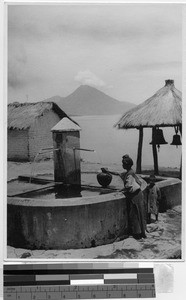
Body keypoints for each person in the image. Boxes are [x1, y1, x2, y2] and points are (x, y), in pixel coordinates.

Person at [102, 154, 147, 239]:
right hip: (138, 194)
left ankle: (138, 234)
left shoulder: (129, 174)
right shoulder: (130, 172)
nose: (122, 165)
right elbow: (118, 174)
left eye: (123, 164)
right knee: (139, 214)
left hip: (135, 196)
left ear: (126, 164)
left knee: (136, 214)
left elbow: (128, 186)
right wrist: (108, 171)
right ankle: (141, 233)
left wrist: (121, 190)